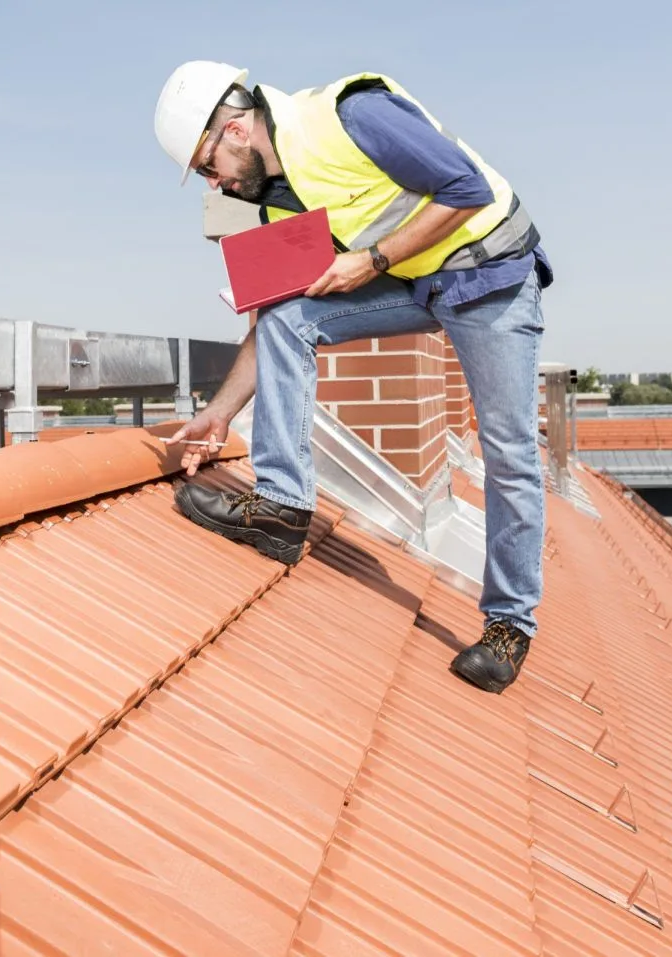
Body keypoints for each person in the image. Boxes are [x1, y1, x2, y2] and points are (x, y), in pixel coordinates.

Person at [151, 61, 551, 694]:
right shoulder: (277, 206)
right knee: (284, 312)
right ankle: (282, 508)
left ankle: (509, 626)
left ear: (232, 131)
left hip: (488, 273)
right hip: (419, 282)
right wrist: (221, 411)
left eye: (207, 168)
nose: (215, 186)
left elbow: (465, 187)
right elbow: (270, 321)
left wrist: (372, 260)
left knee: (509, 451)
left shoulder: (348, 116)